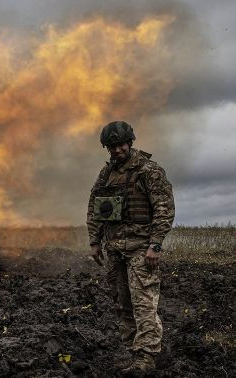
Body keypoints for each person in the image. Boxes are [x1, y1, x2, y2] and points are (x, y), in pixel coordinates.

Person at [87, 121, 175, 373]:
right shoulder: (106, 175)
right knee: (122, 304)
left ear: (130, 142)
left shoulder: (148, 171)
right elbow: (95, 208)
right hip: (114, 250)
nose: (117, 150)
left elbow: (163, 209)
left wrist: (155, 245)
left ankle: (145, 358)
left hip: (140, 249)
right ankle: (132, 353)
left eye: (121, 144)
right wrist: (95, 241)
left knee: (144, 303)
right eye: (111, 146)